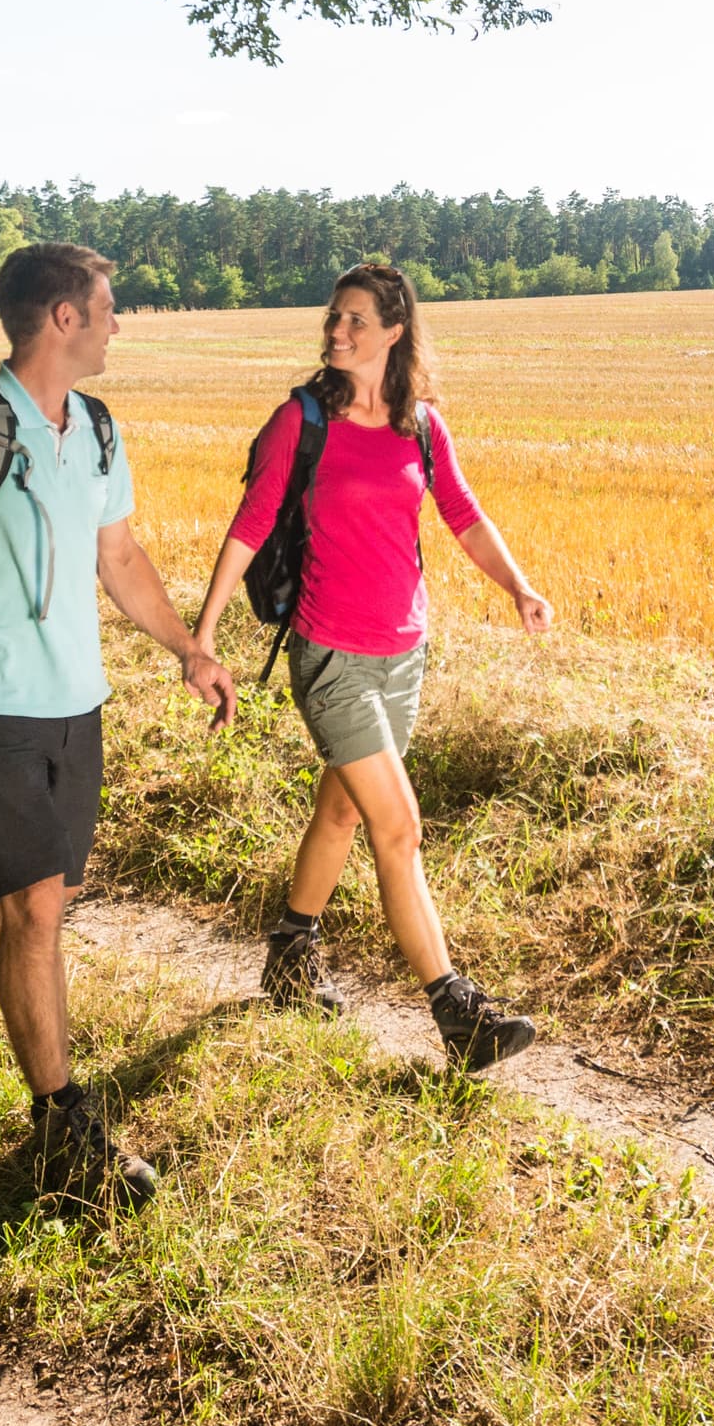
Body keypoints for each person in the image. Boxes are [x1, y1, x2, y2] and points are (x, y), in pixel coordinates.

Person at [0, 242, 233, 1207]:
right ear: (63, 318)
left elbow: (119, 556)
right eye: (108, 307)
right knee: (36, 905)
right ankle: (64, 1131)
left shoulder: (99, 428)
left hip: (78, 698)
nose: (119, 323)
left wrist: (187, 648)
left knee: (41, 891)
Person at [191, 262, 549, 1072]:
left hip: (403, 655)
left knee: (345, 811)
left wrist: (519, 586)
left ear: (394, 330)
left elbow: (463, 514)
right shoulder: (302, 419)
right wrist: (202, 636)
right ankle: (458, 1012)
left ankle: (289, 953)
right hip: (332, 656)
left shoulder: (421, 425)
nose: (337, 330)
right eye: (334, 316)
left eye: (356, 319)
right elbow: (250, 524)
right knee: (400, 826)